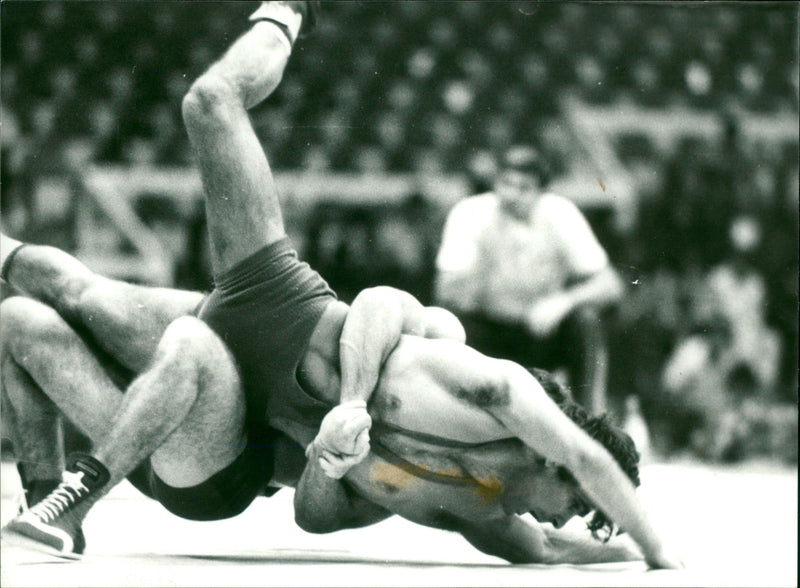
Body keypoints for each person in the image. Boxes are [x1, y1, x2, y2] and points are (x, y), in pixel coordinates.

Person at [1, 1, 681, 569]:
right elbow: (384, 304)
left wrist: (624, 554)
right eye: (575, 506)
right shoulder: (490, 386)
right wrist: (664, 553)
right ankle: (288, 11)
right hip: (274, 301)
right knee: (199, 116)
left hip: (235, 407)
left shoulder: (486, 517)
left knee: (121, 321)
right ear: (559, 465)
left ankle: (67, 499)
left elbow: (555, 551)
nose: (550, 518)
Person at [434, 146, 624, 413]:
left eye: (524, 188)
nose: (511, 195)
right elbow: (445, 292)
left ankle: (589, 421)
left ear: (541, 192)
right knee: (449, 325)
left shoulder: (560, 213)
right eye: (506, 184)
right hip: (488, 333)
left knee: (585, 320)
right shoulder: (471, 213)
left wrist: (563, 302)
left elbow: (611, 284)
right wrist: (484, 263)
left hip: (539, 332)